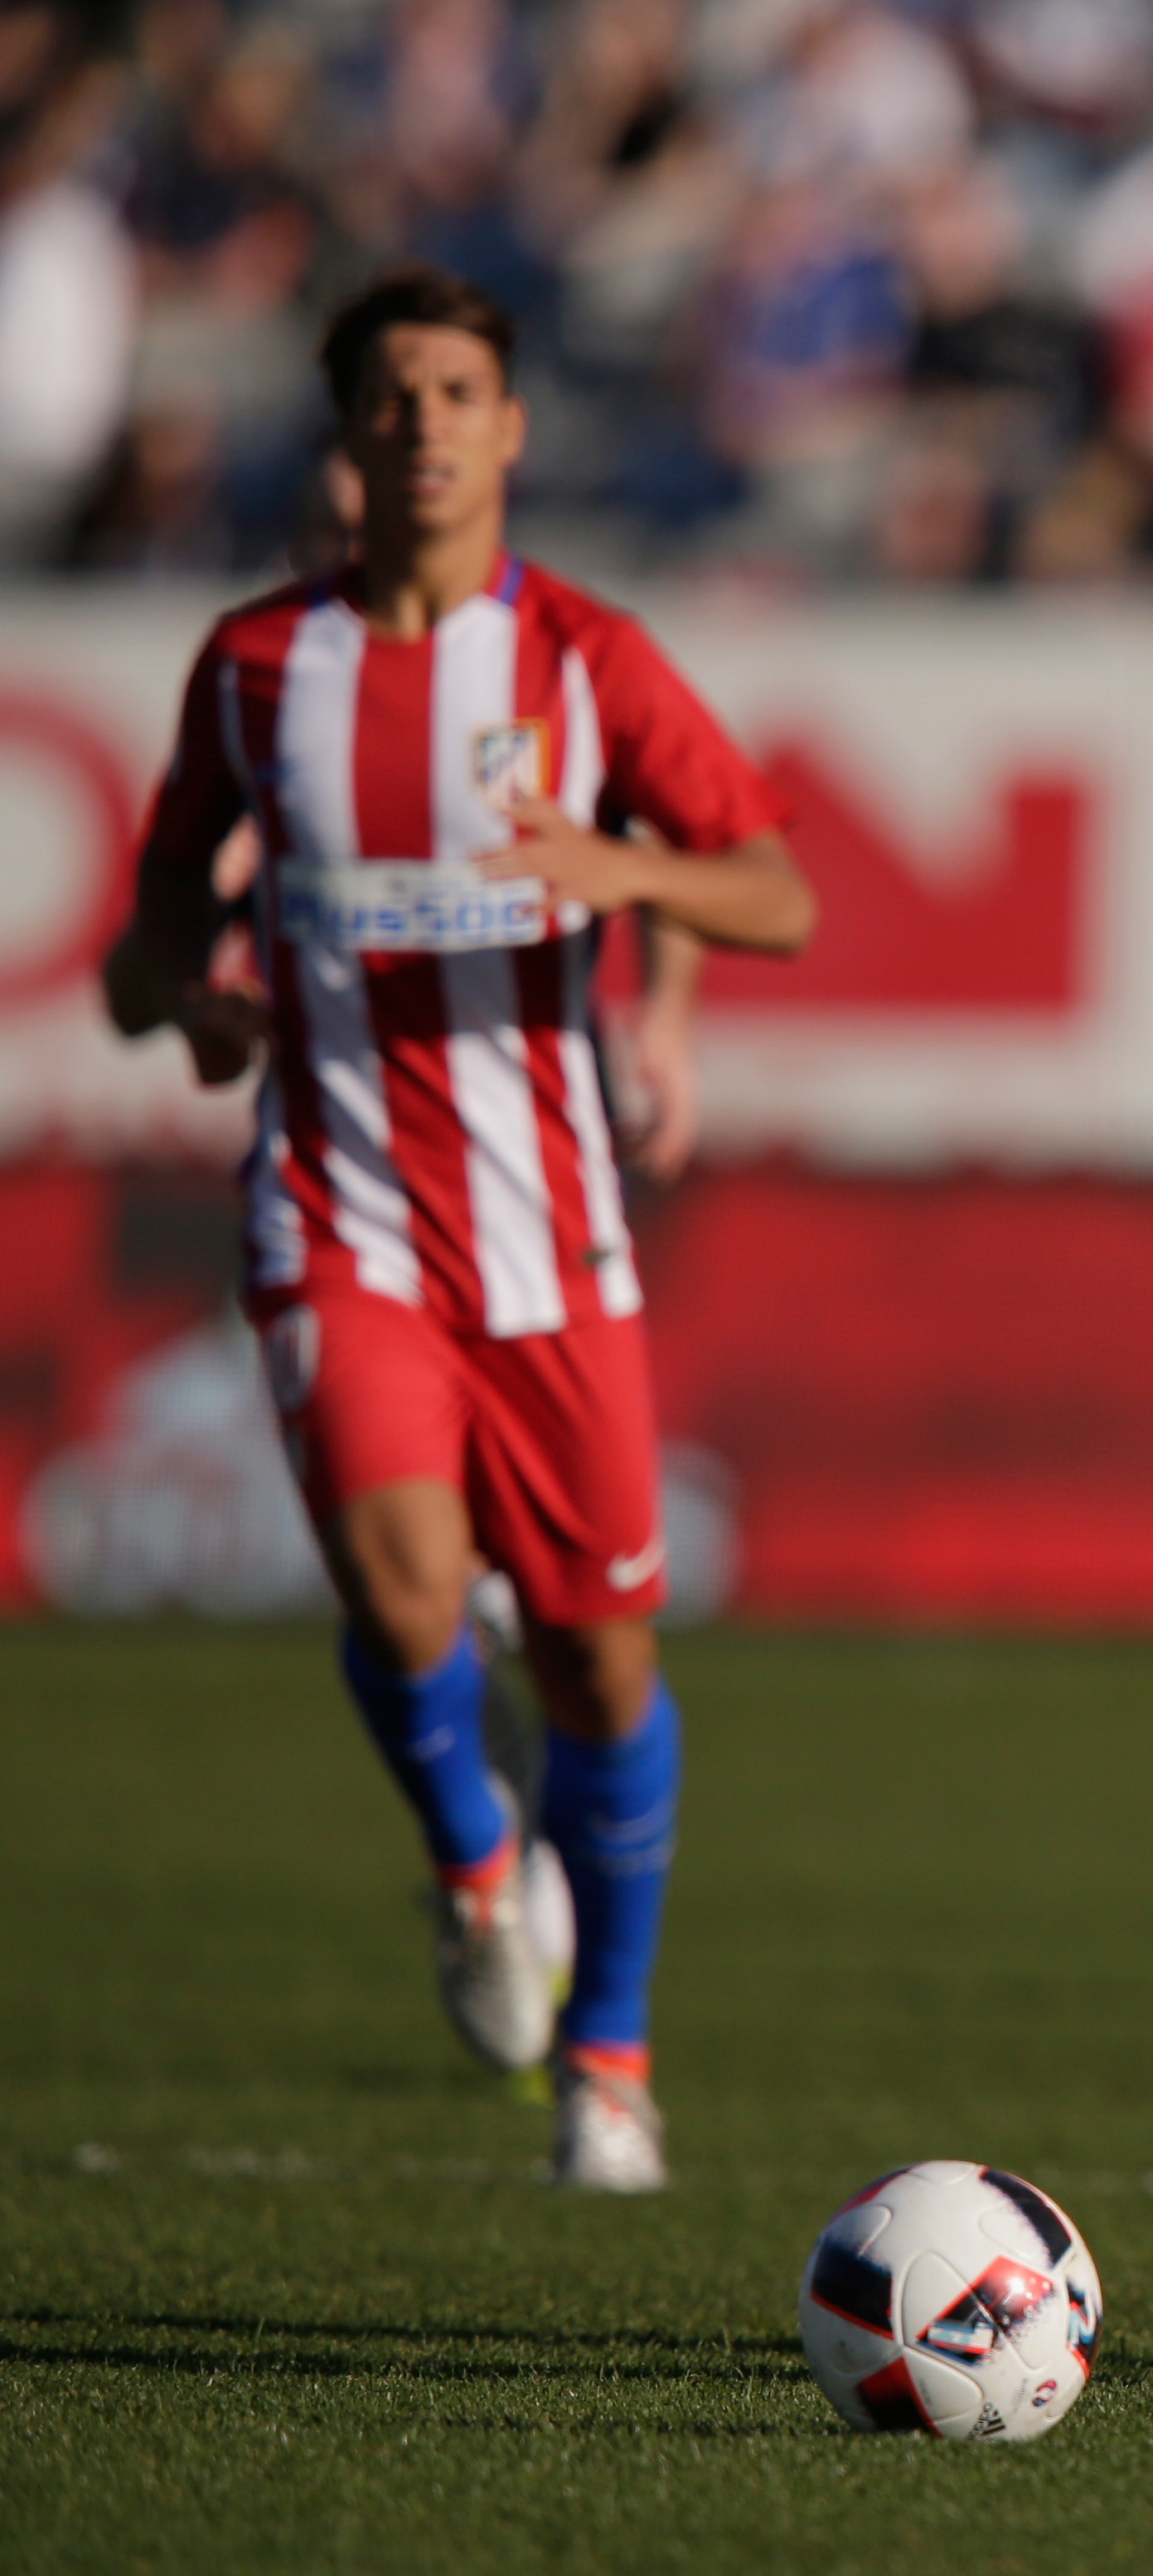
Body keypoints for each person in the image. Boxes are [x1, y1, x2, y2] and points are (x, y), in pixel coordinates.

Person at [103, 264, 812, 2191]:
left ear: (511, 427)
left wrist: (621, 879)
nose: (425, 422)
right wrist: (191, 1004)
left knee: (598, 1670)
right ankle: (477, 1863)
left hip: (554, 1245)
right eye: (392, 393)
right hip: (341, 1218)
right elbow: (146, 937)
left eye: (458, 390)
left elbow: (775, 893)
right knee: (408, 1598)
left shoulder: (586, 657)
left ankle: (611, 2058)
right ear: (350, 435)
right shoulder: (259, 669)